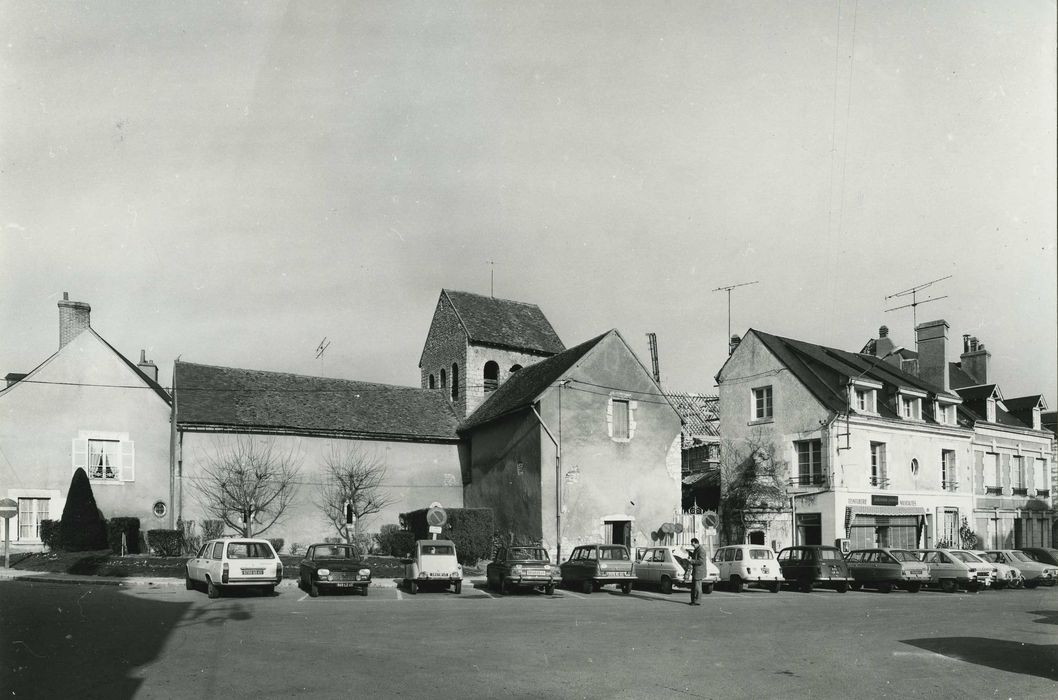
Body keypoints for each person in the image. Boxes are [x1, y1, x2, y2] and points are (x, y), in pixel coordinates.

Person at [688, 538, 706, 606]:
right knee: (694, 587)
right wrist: (689, 552)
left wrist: (691, 561)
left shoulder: (701, 550)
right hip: (696, 571)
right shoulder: (697, 549)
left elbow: (701, 561)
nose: (693, 546)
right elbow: (695, 556)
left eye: (693, 544)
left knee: (697, 587)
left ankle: (697, 601)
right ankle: (693, 600)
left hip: (699, 571)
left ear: (696, 543)